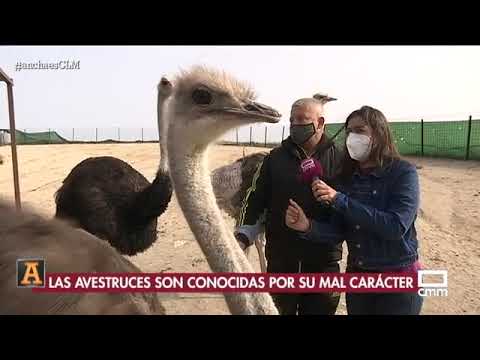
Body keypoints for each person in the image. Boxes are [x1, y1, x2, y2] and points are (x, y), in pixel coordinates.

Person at [285, 105, 423, 315]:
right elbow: (340, 231)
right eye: (349, 131)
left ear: (378, 134)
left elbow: (396, 226)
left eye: (360, 130)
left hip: (398, 279)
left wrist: (340, 200)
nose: (352, 137)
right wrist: (308, 226)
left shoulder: (403, 173)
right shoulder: (346, 178)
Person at [235, 96, 343, 315]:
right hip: (281, 263)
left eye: (302, 120)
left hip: (323, 265)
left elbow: (350, 212)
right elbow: (254, 198)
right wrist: (243, 235)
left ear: (320, 123)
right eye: (292, 120)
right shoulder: (274, 159)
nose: (295, 125)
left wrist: (336, 198)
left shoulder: (341, 160)